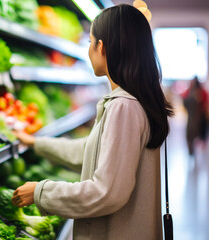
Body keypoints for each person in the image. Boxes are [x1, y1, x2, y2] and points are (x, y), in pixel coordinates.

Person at [11, 4, 173, 240]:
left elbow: (107, 192)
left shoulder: (123, 107)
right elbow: (91, 152)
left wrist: (41, 192)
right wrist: (36, 143)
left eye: (90, 41)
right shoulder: (137, 101)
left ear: (101, 46)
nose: (88, 50)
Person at [182, 76, 208, 156]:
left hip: (198, 118)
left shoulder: (197, 92)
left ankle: (194, 151)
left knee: (194, 135)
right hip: (195, 117)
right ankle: (193, 152)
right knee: (192, 135)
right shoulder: (197, 92)